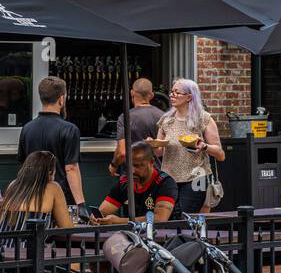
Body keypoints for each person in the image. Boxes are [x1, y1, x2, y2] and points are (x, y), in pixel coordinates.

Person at [149, 78, 224, 216]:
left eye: (177, 93)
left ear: (189, 97)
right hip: (169, 179)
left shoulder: (204, 118)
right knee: (169, 219)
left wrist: (204, 146)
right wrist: (153, 145)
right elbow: (159, 153)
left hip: (196, 179)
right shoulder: (166, 120)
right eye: (171, 92)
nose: (172, 95)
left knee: (185, 218)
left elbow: (220, 154)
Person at [17, 76, 86, 216]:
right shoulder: (69, 129)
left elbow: (23, 165)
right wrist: (81, 204)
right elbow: (71, 169)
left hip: (32, 199)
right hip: (60, 199)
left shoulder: (27, 128)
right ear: (61, 99)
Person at [92, 141, 177, 225]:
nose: (132, 170)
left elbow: (160, 219)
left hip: (164, 235)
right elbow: (103, 212)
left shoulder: (165, 183)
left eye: (137, 165)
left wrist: (118, 221)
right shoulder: (124, 182)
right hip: (132, 236)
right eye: (129, 165)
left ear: (151, 162)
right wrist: (95, 218)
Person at [0, 151, 75, 230]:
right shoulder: (53, 187)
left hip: (4, 241)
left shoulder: (14, 185)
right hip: (31, 242)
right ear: (50, 172)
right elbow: (66, 227)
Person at [111, 78, 165, 176]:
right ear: (151, 95)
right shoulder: (164, 116)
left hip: (133, 175)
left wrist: (114, 165)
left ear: (132, 93)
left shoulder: (125, 117)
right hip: (157, 175)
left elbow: (122, 152)